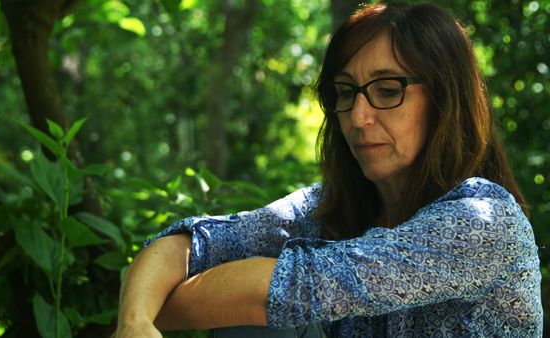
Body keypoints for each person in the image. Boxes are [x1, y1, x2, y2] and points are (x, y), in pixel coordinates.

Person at [114, 2, 543, 337]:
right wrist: (134, 323)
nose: (357, 118)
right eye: (344, 92)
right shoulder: (328, 207)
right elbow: (185, 242)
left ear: (445, 101)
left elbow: (287, 290)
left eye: (387, 90)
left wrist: (171, 301)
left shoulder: (482, 223)